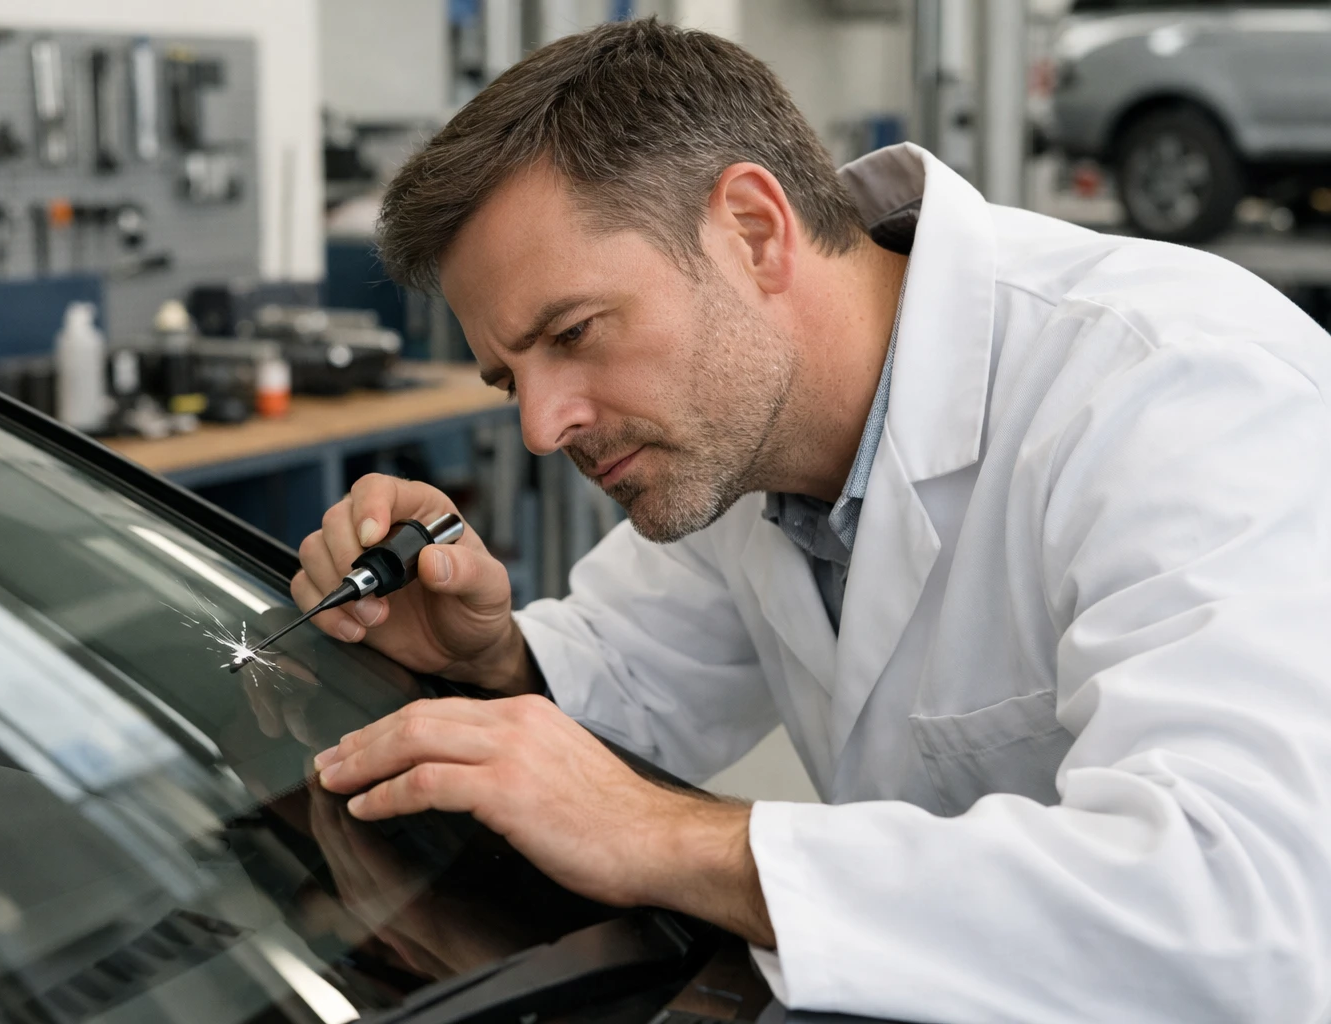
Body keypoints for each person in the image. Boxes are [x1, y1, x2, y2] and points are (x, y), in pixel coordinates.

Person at [294, 18, 1331, 1021]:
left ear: (752, 230)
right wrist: (490, 659)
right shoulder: (749, 445)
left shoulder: (1177, 392)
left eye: (572, 332)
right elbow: (631, 677)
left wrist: (673, 837)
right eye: (505, 377)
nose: (539, 424)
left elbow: (1243, 908)